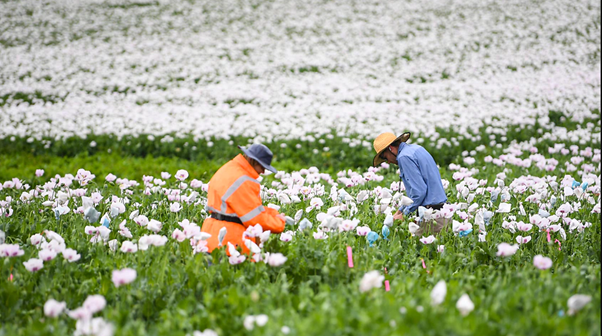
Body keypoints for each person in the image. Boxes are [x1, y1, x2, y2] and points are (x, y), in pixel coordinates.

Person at [201, 143, 286, 254]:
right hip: (230, 242)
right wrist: (279, 222)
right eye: (262, 167)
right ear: (254, 161)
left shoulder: (228, 169)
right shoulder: (243, 180)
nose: (263, 172)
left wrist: (272, 213)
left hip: (210, 235)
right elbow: (254, 219)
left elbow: (240, 208)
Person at [372, 132, 449, 236]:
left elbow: (419, 192)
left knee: (422, 250)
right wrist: (400, 210)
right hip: (443, 211)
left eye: (385, 158)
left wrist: (404, 214)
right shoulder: (416, 149)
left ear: (391, 149)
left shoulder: (404, 157)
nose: (388, 162)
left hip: (431, 215)